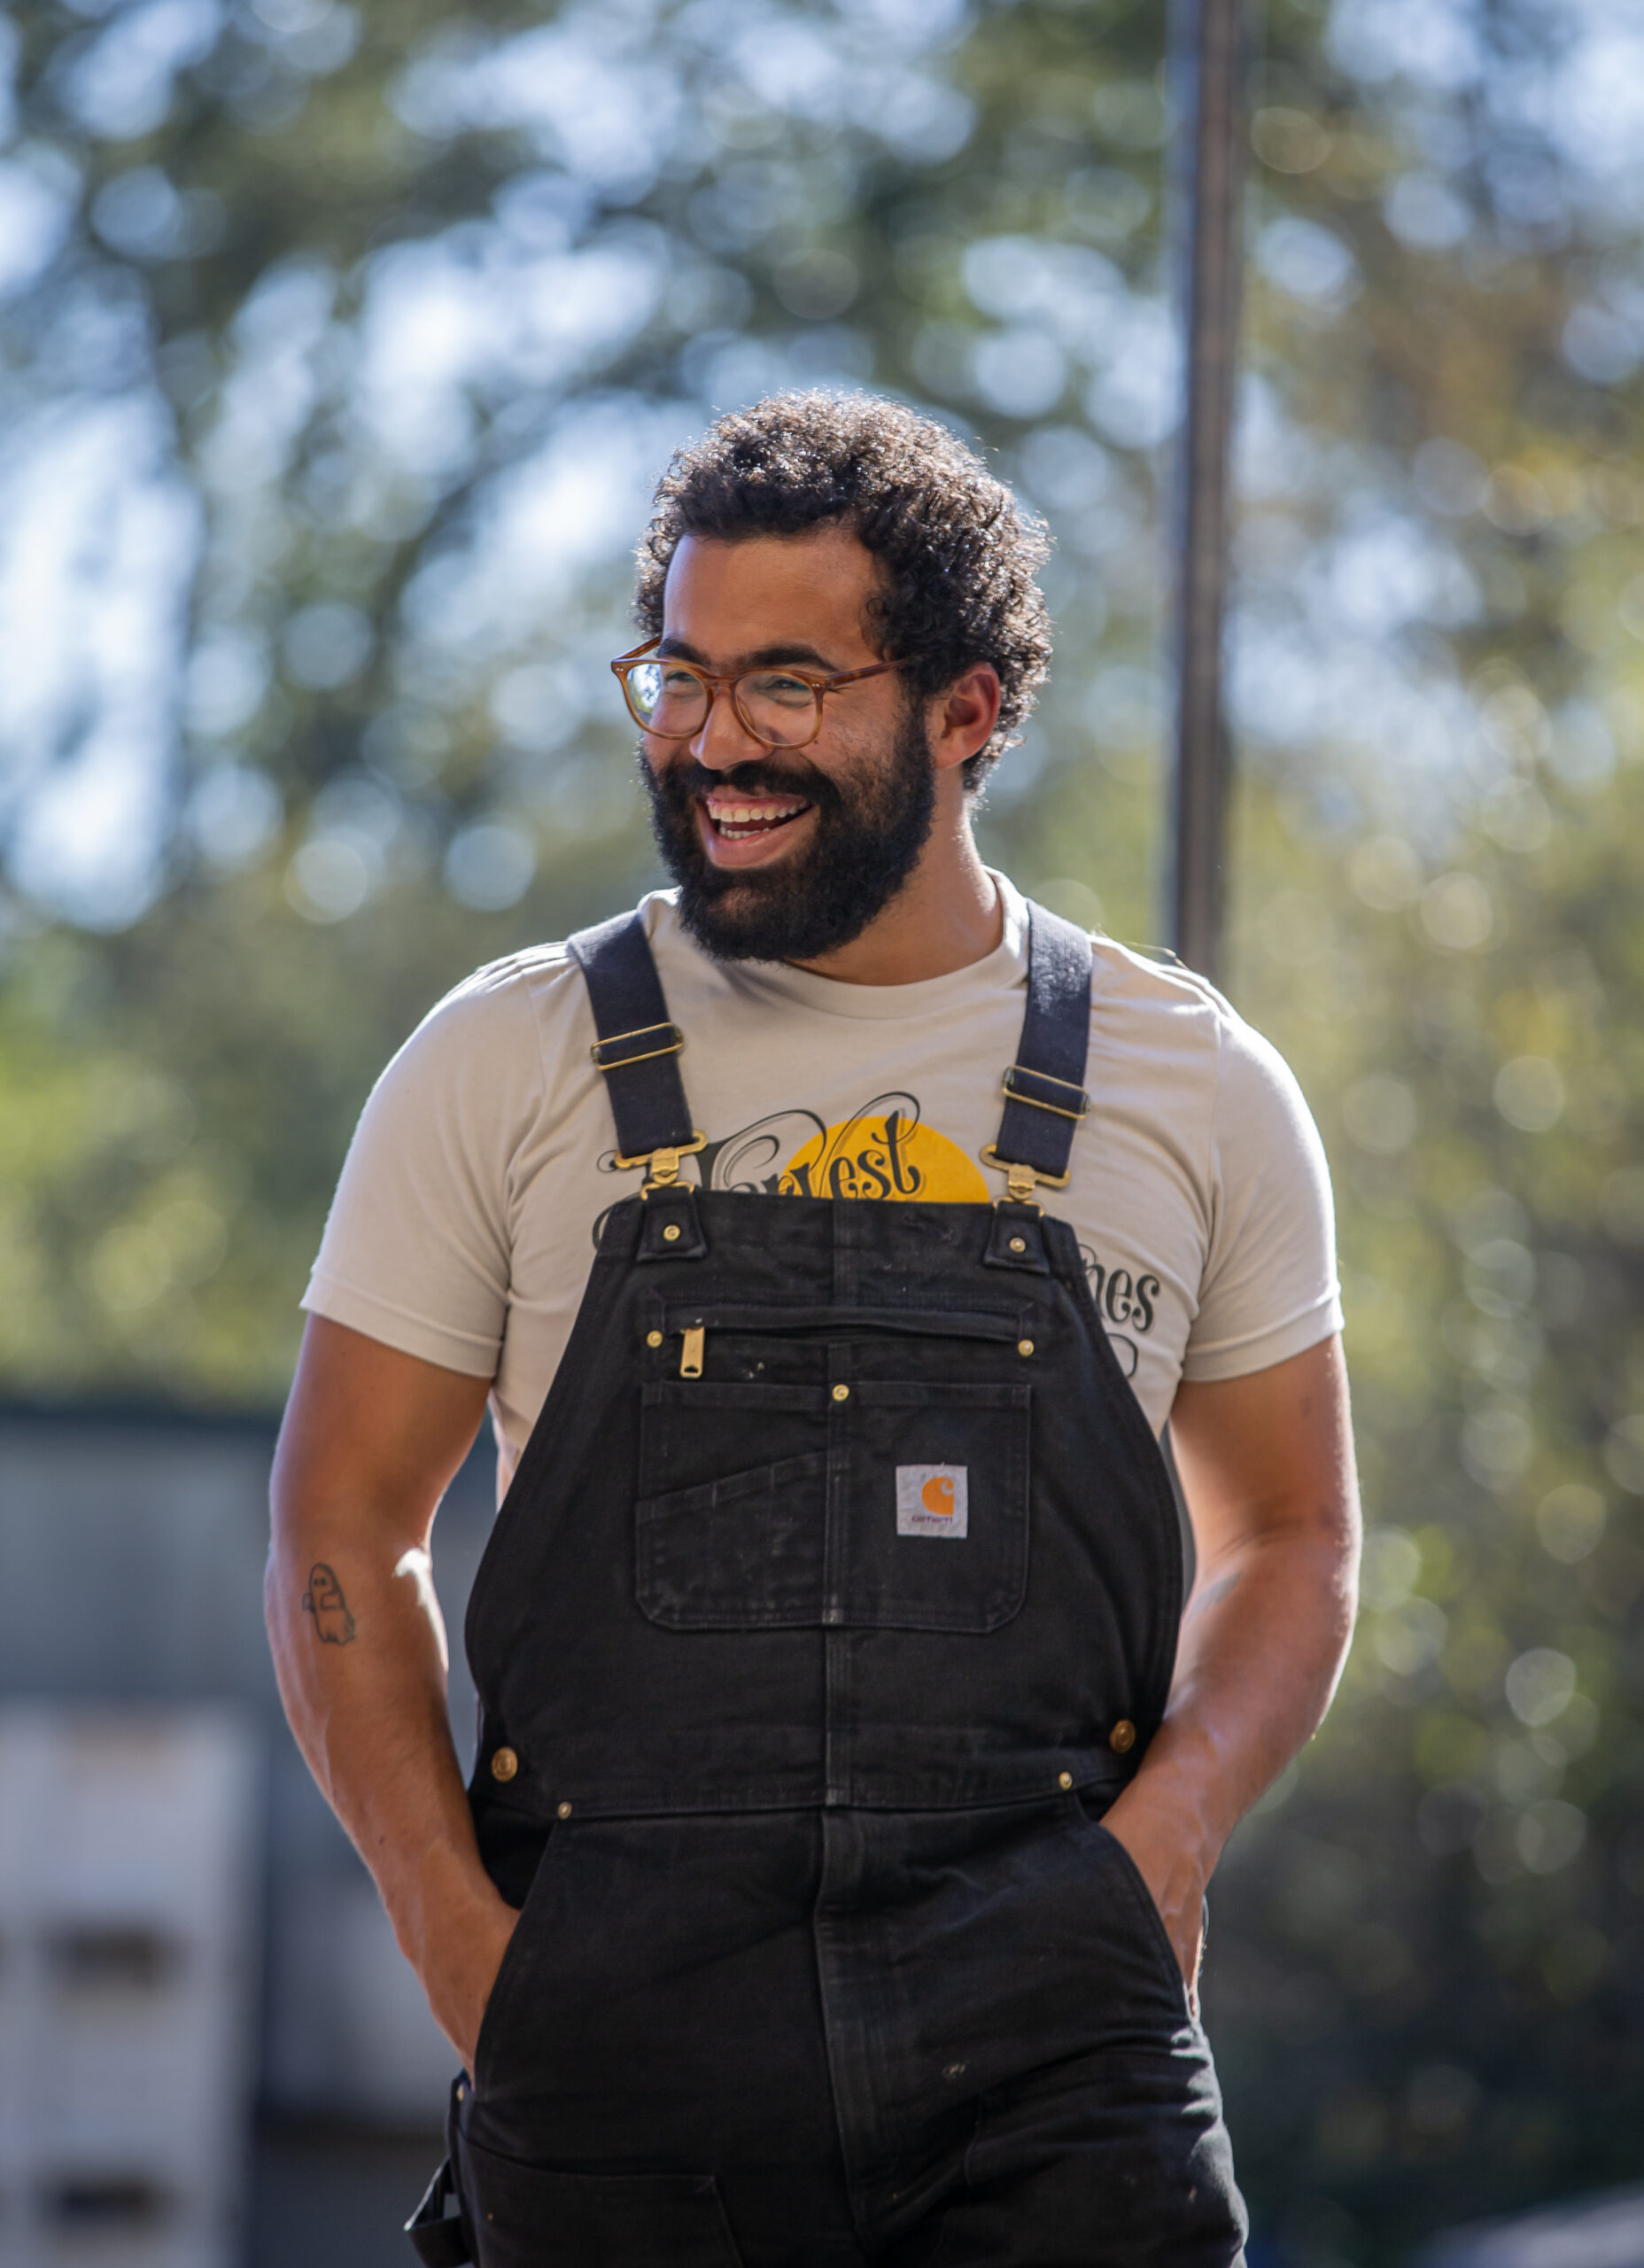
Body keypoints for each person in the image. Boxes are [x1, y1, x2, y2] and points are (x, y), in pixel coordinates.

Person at [267, 391, 1360, 2268]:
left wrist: (1160, 1842)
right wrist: (460, 1938)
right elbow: (338, 1528)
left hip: (1055, 2082)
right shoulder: (506, 1057)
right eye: (679, 675)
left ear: (966, 711)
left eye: (787, 680)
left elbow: (1296, 1534)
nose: (714, 741)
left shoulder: (1192, 1081)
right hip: (615, 2079)